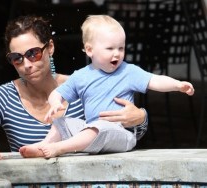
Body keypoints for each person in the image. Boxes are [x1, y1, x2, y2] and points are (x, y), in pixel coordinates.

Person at [0, 15, 149, 165]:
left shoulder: (85, 84)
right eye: (17, 58)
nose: (26, 64)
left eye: (33, 53)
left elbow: (124, 134)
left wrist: (140, 117)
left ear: (50, 48)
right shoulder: (4, 97)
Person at [19, 15, 194, 158]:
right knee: (62, 122)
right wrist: (56, 103)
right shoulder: (81, 76)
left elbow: (155, 80)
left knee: (100, 127)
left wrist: (177, 85)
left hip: (120, 133)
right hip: (91, 129)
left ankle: (60, 148)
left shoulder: (128, 71)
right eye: (110, 48)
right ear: (89, 50)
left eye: (121, 48)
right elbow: (57, 93)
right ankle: (45, 144)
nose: (117, 53)